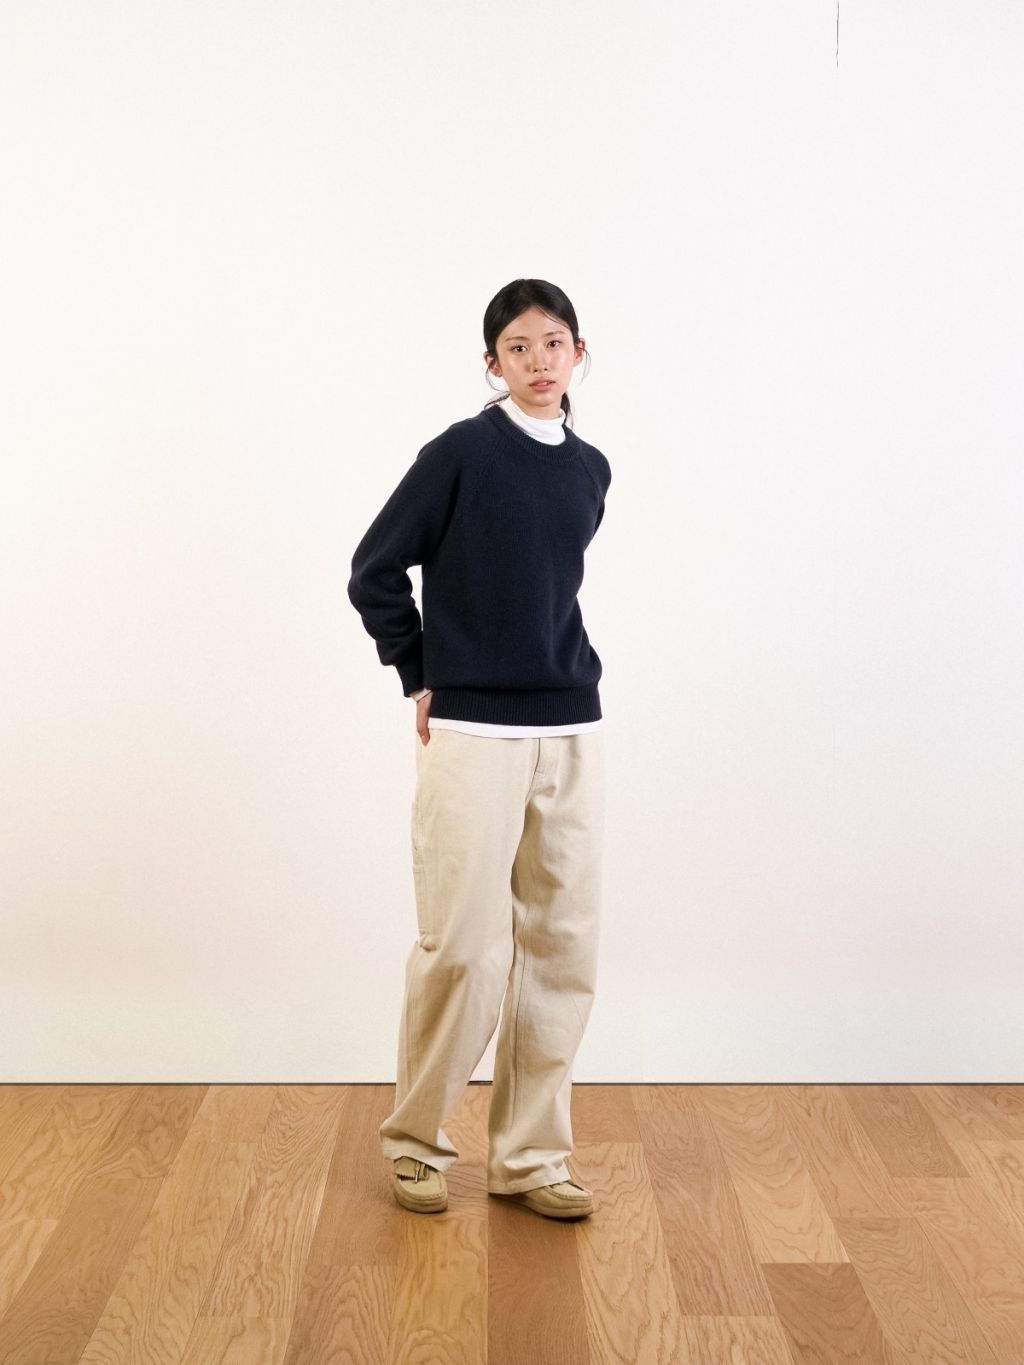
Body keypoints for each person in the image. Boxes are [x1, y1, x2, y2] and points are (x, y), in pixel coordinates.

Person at [347, 278, 611, 1220]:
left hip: (571, 725)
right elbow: (375, 569)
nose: (538, 361)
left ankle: (531, 1157)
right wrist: (420, 672)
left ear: (580, 353)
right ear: (493, 364)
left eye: (553, 343)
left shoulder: (591, 469)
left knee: (563, 946)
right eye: (517, 347)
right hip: (471, 729)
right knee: (462, 946)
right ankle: (417, 1141)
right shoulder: (460, 452)